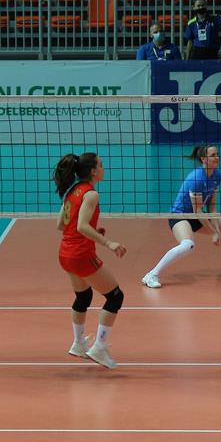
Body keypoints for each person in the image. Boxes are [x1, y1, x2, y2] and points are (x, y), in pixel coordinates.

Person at [141, 144, 221, 289]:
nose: (217, 157)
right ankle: (151, 274)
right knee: (188, 245)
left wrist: (217, 230)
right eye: (213, 155)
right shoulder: (197, 178)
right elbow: (198, 210)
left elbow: (211, 206)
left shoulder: (216, 175)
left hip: (198, 215)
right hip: (180, 215)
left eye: (217, 154)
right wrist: (214, 232)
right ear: (204, 159)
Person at [54, 152, 127, 370]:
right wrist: (108, 242)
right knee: (115, 297)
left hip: (65, 254)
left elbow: (61, 225)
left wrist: (92, 230)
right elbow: (81, 226)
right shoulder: (91, 194)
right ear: (93, 171)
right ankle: (99, 348)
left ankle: (78, 344)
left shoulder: (72, 190)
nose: (104, 168)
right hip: (81, 254)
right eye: (101, 165)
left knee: (83, 296)